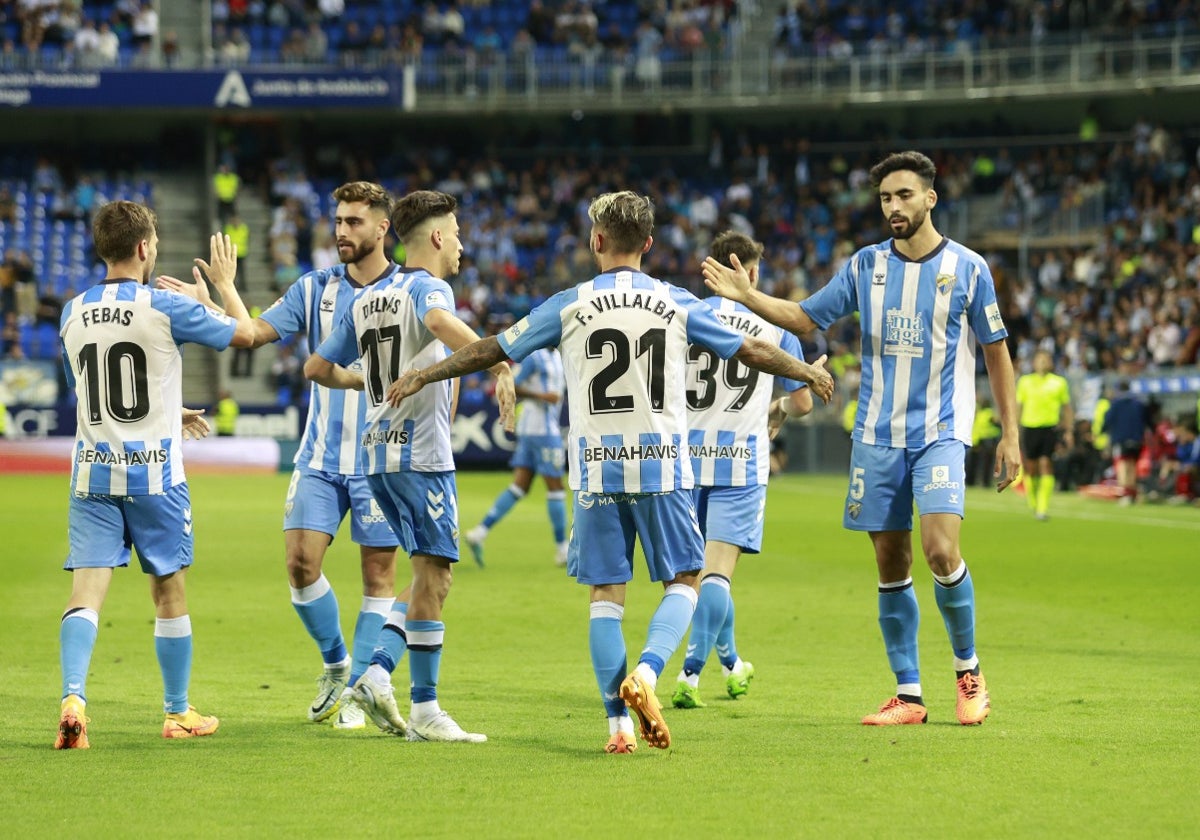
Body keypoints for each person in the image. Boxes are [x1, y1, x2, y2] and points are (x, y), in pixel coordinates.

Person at [384, 191, 833, 753]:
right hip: (664, 469)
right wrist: (804, 372)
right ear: (648, 244)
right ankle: (646, 675)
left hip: (595, 472)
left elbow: (491, 349)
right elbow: (751, 351)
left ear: (596, 242)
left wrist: (428, 376)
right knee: (685, 581)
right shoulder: (675, 302)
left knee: (604, 597)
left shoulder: (567, 304)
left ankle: (617, 729)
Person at [702, 151, 1021, 727]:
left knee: (941, 550)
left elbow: (997, 354)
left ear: (930, 198)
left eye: (903, 196)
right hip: (875, 435)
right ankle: (909, 695)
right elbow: (803, 318)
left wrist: (1011, 435)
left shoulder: (969, 269)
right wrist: (748, 296)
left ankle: (968, 672)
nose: (893, 207)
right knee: (890, 563)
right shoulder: (864, 267)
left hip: (941, 432)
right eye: (884, 199)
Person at [160, 181, 404, 732]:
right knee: (299, 566)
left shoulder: (411, 290)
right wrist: (221, 293)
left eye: (355, 222)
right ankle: (338, 664)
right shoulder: (315, 287)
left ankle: (360, 689)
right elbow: (250, 334)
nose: (342, 231)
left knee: (378, 576)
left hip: (380, 459)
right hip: (318, 457)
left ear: (383, 228)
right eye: (338, 221)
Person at [304, 190, 516, 743]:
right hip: (420, 454)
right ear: (439, 237)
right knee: (436, 576)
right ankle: (413, 701)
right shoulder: (427, 286)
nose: (463, 245)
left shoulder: (368, 297)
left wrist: (363, 384)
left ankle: (391, 687)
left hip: (375, 454)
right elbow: (443, 324)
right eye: (459, 234)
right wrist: (497, 361)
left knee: (428, 574)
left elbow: (316, 366)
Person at [54, 202, 255, 749]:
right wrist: (217, 290)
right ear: (145, 248)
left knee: (85, 595)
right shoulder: (166, 306)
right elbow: (248, 337)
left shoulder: (71, 312)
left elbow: (99, 391)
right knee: (169, 592)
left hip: (93, 476)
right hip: (155, 479)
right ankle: (177, 712)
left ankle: (73, 698)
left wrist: (170, 411)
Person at [670, 231, 814, 711]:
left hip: (686, 462)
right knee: (718, 575)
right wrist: (779, 410)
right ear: (752, 274)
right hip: (742, 461)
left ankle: (731, 662)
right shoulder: (776, 327)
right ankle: (689, 675)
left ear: (711, 272)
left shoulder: (688, 317)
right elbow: (804, 402)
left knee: (700, 572)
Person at [463, 347, 568, 568]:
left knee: (519, 486)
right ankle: (562, 549)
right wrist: (542, 396)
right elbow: (511, 383)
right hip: (542, 430)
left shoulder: (557, 355)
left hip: (534, 429)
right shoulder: (535, 357)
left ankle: (479, 532)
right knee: (556, 488)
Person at [1016, 349, 1073, 520]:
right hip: (1029, 427)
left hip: (1049, 428)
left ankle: (1042, 508)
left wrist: (1069, 430)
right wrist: (1014, 429)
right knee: (1031, 467)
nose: (1042, 363)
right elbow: (1019, 406)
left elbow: (1067, 407)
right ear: (1034, 363)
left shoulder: (1059, 383)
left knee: (1046, 464)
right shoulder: (1025, 382)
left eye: (1046, 360)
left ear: (1050, 363)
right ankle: (1033, 501)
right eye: (1039, 360)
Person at [1101, 381, 1150, 505]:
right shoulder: (1138, 404)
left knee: (1123, 465)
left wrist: (1102, 431)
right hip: (1136, 439)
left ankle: (1125, 494)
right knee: (1132, 465)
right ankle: (1133, 493)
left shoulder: (1116, 404)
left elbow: (1107, 421)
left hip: (1120, 438)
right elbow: (1146, 420)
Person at [968, 395, 1002, 487]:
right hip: (988, 441)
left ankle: (970, 481)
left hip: (978, 440)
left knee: (974, 462)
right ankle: (985, 482)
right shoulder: (990, 414)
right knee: (987, 463)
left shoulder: (979, 414)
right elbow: (998, 424)